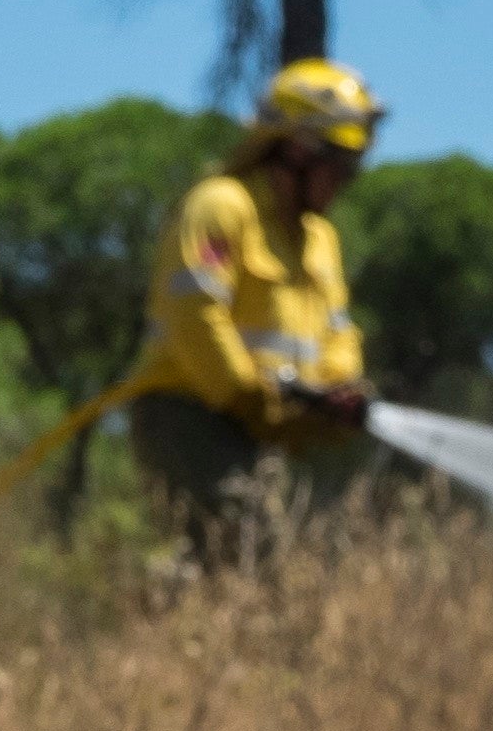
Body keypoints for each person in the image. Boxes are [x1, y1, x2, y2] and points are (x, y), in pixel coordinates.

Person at [124, 57, 383, 562]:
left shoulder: (319, 240)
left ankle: (155, 614)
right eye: (340, 164)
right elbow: (196, 310)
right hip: (186, 411)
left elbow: (337, 330)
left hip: (263, 427)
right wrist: (247, 393)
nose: (347, 180)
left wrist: (339, 388)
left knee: (247, 560)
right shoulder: (221, 207)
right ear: (297, 150)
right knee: (248, 551)